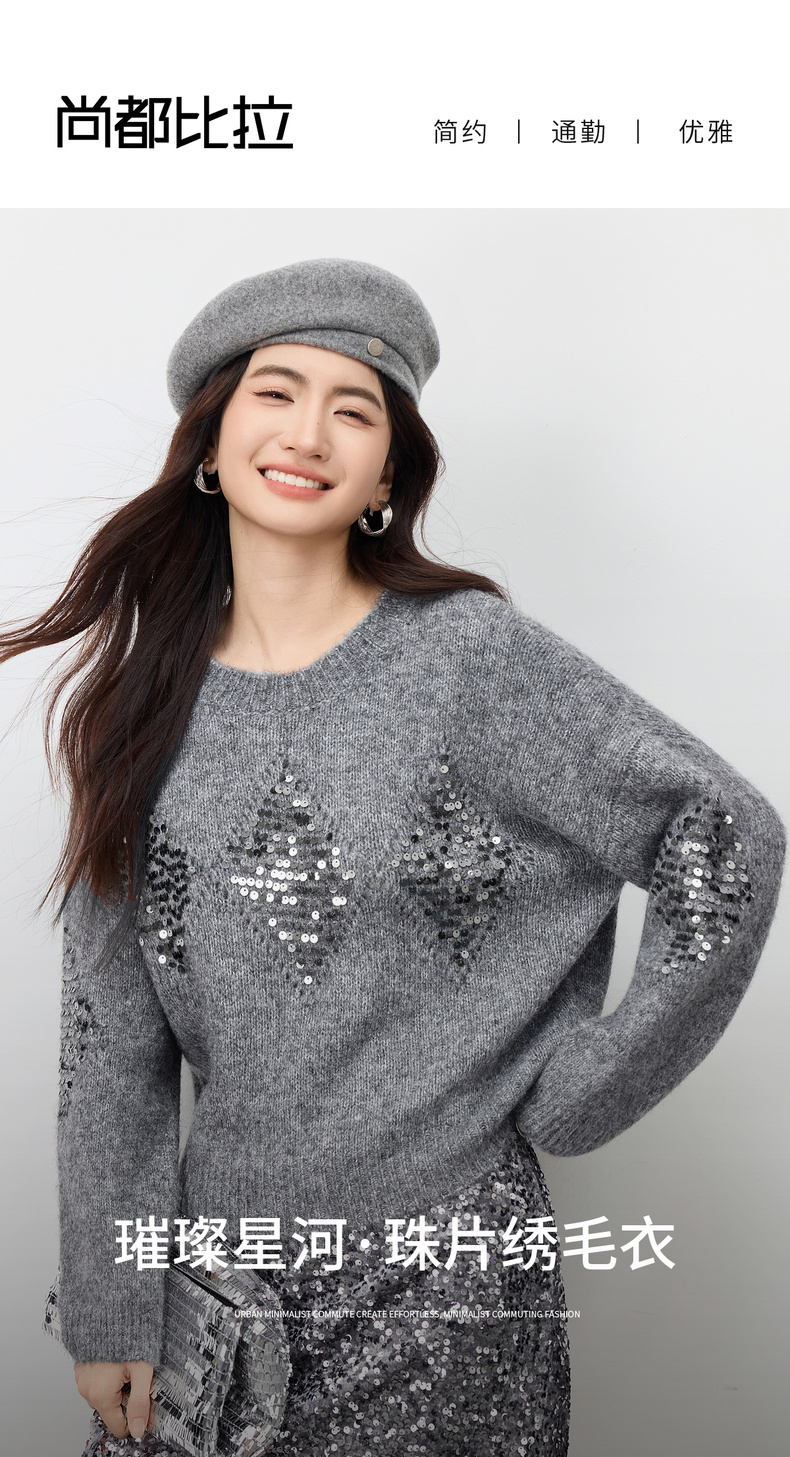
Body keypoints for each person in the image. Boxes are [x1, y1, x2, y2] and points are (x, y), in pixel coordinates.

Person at [2, 258, 784, 1457]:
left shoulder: (468, 659)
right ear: (211, 441)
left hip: (447, 1280)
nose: (307, 432)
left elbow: (722, 831)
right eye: (275, 392)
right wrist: (111, 1300)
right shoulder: (137, 703)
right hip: (220, 1279)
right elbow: (110, 1041)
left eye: (353, 410)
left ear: (385, 476)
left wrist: (591, 1083)